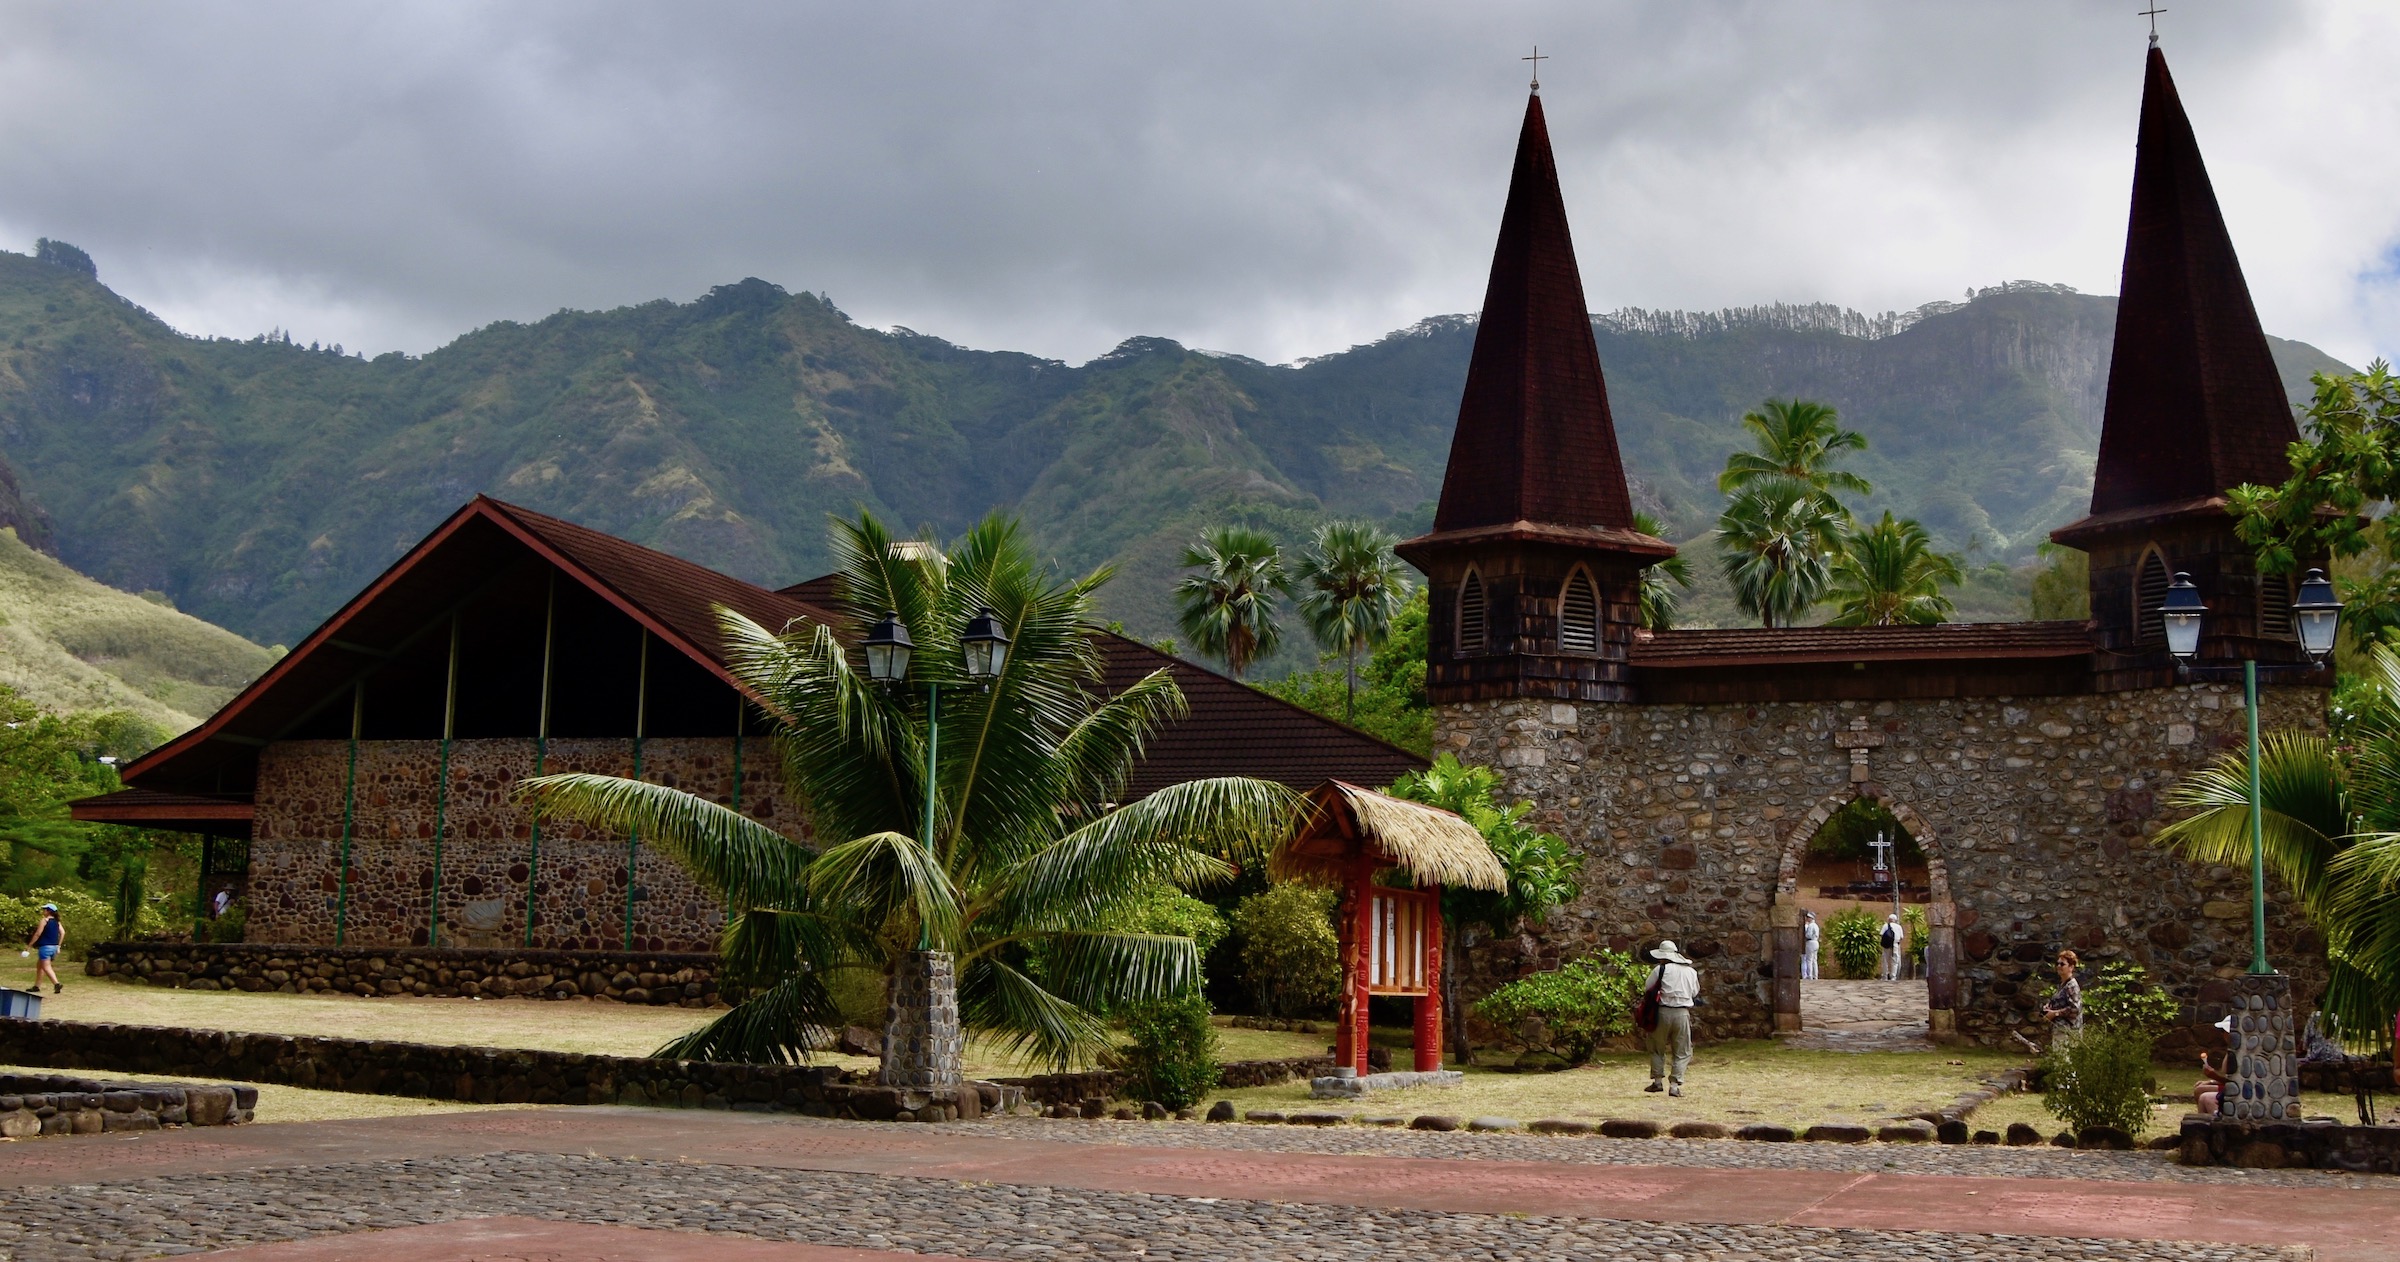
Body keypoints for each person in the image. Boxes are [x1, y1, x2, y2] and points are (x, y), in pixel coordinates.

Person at [1642, 940, 1700, 1098]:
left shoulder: (1660, 970)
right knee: (1683, 1050)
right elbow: (1694, 992)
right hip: (1682, 1013)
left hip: (1662, 1012)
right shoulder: (1691, 972)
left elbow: (1648, 988)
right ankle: (1675, 1085)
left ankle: (1658, 1082)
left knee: (1656, 1047)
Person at [2195, 1014, 2236, 1116]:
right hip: (2227, 1086)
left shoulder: (2236, 1052)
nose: (2223, 1035)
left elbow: (2232, 1081)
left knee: (2202, 1092)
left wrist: (2213, 1076)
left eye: (2224, 1031)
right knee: (2200, 1088)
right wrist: (2211, 1081)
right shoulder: (2230, 1050)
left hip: (2230, 1089)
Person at [2041, 949, 2083, 1040]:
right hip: (2060, 1030)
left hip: (2069, 1033)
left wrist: (2054, 1014)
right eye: (2057, 964)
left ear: (2071, 967)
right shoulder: (2062, 985)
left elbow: (2075, 1009)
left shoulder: (2071, 986)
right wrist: (2048, 1008)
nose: (2059, 966)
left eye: (2062, 964)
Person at [25, 903, 62, 994]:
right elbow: (63, 933)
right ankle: (36, 986)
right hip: (53, 947)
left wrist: (29, 945)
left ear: (48, 911)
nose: (43, 911)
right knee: (40, 966)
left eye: (44, 909)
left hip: (45, 947)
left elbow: (38, 934)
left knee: (46, 967)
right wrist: (59, 945)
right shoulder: (57, 922)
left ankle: (56, 983)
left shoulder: (44, 920)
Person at [1878, 913, 1906, 981]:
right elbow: (1901, 937)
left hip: (1886, 945)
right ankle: (1893, 976)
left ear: (1889, 919)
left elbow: (1881, 934)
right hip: (1895, 945)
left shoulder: (1885, 925)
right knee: (1895, 961)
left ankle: (1884, 976)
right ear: (1895, 920)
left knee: (1885, 960)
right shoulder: (1899, 927)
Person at [1800, 910, 1821, 981]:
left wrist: (1805, 934)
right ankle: (1816, 975)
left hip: (1810, 942)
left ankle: (1810, 975)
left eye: (1808, 917)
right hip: (1816, 942)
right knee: (1815, 960)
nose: (1807, 918)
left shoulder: (1810, 926)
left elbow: (1808, 935)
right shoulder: (1816, 926)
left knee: (1809, 959)